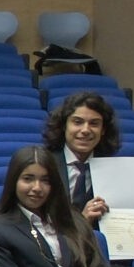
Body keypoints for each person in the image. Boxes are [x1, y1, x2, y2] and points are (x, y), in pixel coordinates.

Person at [0, 146, 103, 267]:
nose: (37, 188)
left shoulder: (74, 220)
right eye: (28, 179)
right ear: (14, 182)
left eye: (45, 180)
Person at [43, 91, 120, 225]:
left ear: (103, 130)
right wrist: (82, 222)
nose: (85, 130)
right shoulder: (43, 164)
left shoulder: (114, 170)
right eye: (77, 122)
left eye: (94, 124)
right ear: (63, 126)